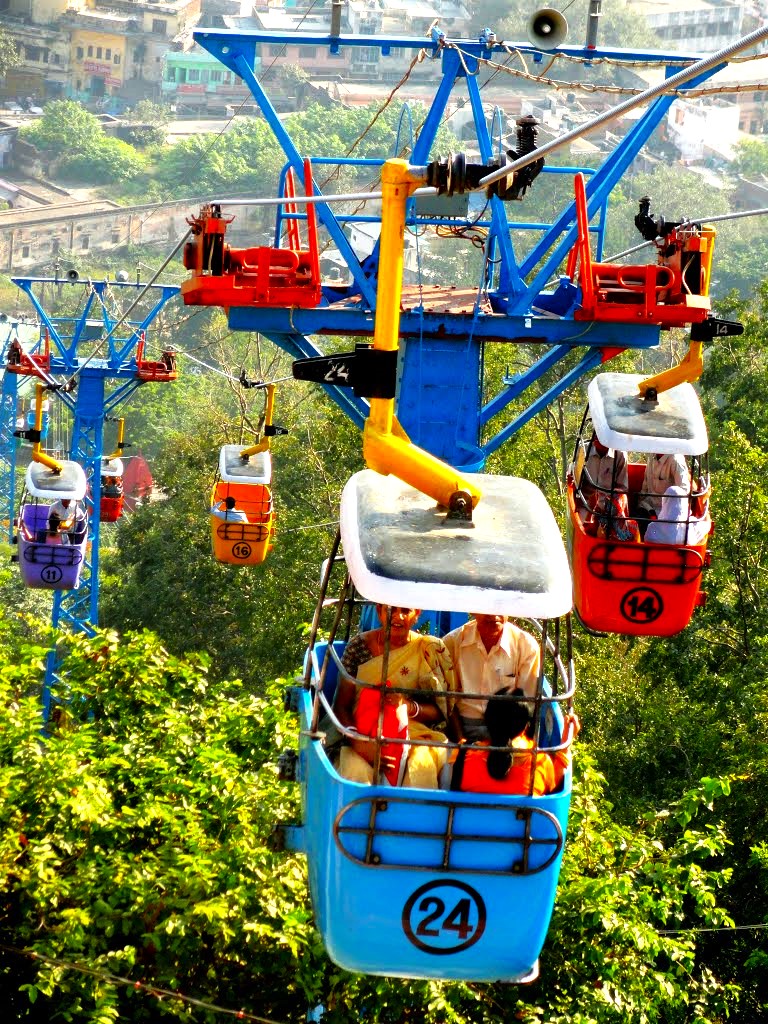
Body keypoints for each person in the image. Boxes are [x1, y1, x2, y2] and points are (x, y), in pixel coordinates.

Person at [336, 605, 456, 788]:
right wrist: (360, 744)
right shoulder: (358, 647)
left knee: (421, 766)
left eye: (406, 611)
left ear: (417, 615)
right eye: (391, 610)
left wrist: (408, 707)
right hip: (363, 733)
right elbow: (341, 706)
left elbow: (441, 711)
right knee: (356, 772)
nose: (398, 616)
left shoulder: (428, 649)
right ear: (379, 612)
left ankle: (414, 816)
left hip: (415, 735)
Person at [453, 687, 580, 796]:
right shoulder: (540, 762)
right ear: (526, 726)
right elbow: (554, 790)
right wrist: (565, 746)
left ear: (488, 720)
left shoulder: (463, 756)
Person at [443, 614, 539, 743]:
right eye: (487, 606)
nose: (493, 614)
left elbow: (526, 708)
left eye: (500, 606)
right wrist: (462, 744)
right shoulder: (452, 642)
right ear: (473, 610)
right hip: (461, 729)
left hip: (508, 732)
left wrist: (503, 745)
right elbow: (446, 701)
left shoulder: (526, 647)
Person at [577, 433, 628, 520]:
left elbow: (623, 487)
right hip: (585, 500)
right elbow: (575, 477)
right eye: (596, 436)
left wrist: (611, 500)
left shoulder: (620, 455)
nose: (597, 439)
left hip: (609, 504)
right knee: (581, 522)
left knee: (613, 528)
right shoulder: (583, 450)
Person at [645, 485, 710, 546]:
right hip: (686, 557)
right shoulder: (691, 525)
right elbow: (707, 524)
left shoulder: (652, 528)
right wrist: (703, 502)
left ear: (665, 502)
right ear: (684, 503)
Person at [638, 453, 690, 518]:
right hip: (648, 506)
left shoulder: (675, 460)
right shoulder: (651, 456)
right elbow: (645, 485)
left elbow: (684, 490)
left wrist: (670, 510)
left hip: (666, 512)